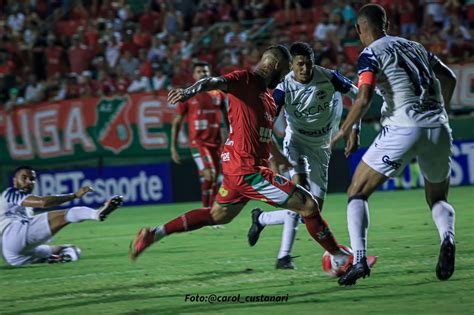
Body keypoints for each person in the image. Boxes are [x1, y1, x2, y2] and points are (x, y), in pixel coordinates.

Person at [129, 45, 352, 269]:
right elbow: (212, 82)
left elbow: (262, 134)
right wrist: (189, 91)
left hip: (239, 168)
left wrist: (277, 156)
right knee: (308, 205)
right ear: (275, 66)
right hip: (248, 170)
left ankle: (153, 234)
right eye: (285, 70)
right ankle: (341, 258)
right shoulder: (245, 79)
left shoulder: (267, 98)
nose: (285, 76)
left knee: (218, 216)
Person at [331, 4, 457, 285]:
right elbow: (449, 77)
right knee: (437, 197)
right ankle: (447, 239)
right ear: (385, 23)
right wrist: (441, 112)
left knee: (357, 192)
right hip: (438, 127)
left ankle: (360, 260)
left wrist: (345, 128)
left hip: (403, 126)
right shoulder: (415, 46)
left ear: (360, 29)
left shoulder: (370, 52)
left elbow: (363, 99)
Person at [247, 42, 366, 269]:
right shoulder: (284, 87)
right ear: (291, 65)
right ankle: (284, 257)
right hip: (297, 143)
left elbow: (360, 96)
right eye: (299, 64)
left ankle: (262, 219)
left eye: (308, 64)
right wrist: (271, 154)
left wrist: (355, 130)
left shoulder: (329, 77)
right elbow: (266, 120)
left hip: (321, 147)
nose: (305, 69)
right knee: (301, 195)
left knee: (313, 210)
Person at [0, 166, 123, 266]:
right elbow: (43, 202)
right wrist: (74, 195)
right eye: (24, 178)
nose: (28, 182)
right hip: (12, 235)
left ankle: (65, 258)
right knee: (68, 214)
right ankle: (96, 214)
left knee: (72, 249)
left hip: (13, 256)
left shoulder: (25, 207)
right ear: (15, 181)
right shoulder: (10, 193)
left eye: (32, 179)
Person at [170, 61, 229, 208]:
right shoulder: (188, 95)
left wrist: (229, 136)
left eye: (206, 71)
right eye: (200, 72)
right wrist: (173, 148)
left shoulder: (219, 95)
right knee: (210, 174)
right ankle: (206, 210)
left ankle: (211, 213)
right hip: (198, 143)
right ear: (194, 75)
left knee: (215, 178)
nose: (204, 74)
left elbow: (226, 118)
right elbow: (176, 122)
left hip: (216, 143)